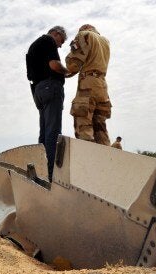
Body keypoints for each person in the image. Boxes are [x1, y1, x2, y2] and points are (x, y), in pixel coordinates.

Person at [26, 26, 70, 180]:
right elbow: (54, 65)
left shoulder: (34, 45)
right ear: (56, 34)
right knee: (53, 132)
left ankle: (42, 170)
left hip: (38, 91)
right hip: (50, 87)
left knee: (44, 133)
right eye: (61, 41)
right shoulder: (48, 40)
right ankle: (51, 175)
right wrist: (68, 71)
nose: (60, 45)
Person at [65, 24, 112, 146]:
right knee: (100, 128)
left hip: (88, 84)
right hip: (102, 86)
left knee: (83, 123)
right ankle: (107, 158)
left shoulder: (84, 35)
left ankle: (87, 157)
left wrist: (66, 68)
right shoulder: (105, 41)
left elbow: (73, 64)